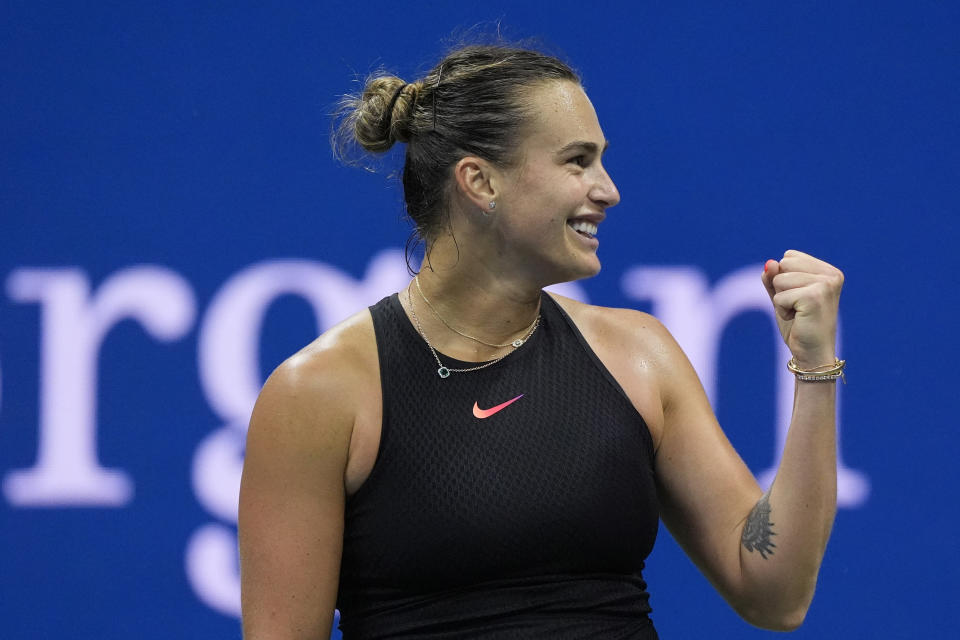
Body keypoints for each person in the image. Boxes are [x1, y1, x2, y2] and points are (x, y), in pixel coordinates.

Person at [238, 43, 844, 639]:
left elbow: (775, 594)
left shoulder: (639, 355)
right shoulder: (318, 395)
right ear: (480, 181)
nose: (608, 190)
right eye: (578, 161)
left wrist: (814, 368)